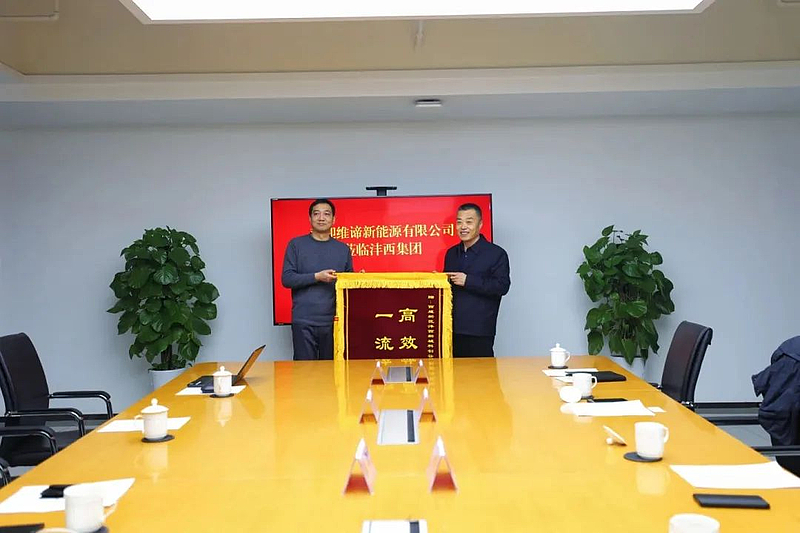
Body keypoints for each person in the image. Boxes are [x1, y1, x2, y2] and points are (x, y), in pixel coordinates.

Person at [282, 198, 353, 360]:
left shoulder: (343, 249)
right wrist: (317, 277)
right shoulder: (296, 245)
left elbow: (347, 284)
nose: (321, 218)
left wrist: (357, 279)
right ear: (310, 218)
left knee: (332, 371)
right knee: (305, 372)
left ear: (333, 220)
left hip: (334, 322)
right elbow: (287, 279)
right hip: (303, 321)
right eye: (316, 214)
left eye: (326, 214)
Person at [443, 203, 510, 357]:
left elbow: (502, 286)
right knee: (452, 371)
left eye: (469, 222)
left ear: (480, 224)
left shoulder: (496, 253)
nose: (463, 227)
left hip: (479, 330)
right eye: (459, 222)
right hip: (451, 329)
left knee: (482, 371)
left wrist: (468, 281)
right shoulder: (451, 254)